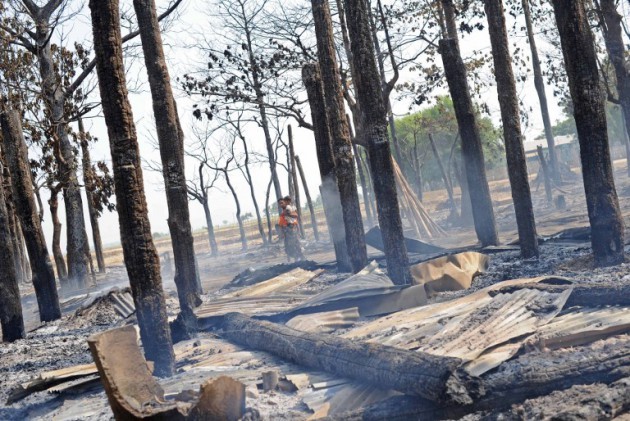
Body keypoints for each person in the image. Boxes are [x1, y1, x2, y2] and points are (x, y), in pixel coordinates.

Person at [278, 196, 305, 262]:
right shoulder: (283, 213)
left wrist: (288, 214)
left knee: (294, 245)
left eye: (282, 203)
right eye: (279, 203)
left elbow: (296, 216)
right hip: (287, 230)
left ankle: (299, 258)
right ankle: (298, 258)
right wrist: (282, 233)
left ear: (285, 202)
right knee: (288, 247)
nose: (281, 204)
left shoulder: (289, 209)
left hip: (291, 229)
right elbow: (281, 224)